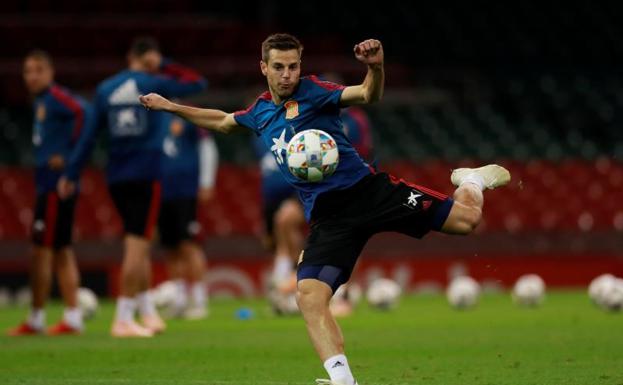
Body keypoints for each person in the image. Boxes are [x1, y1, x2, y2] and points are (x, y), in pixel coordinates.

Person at [139, 33, 510, 385]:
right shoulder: (261, 112)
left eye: (293, 66)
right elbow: (221, 121)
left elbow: (367, 94)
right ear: (264, 68)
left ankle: (473, 181)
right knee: (309, 295)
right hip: (329, 218)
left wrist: (376, 68)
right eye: (280, 67)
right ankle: (342, 379)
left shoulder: (315, 92)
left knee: (467, 221)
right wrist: (171, 107)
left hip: (368, 192)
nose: (288, 75)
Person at [60, 37, 207, 337]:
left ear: (129, 56)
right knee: (137, 244)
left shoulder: (105, 89)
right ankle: (124, 316)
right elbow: (197, 83)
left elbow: (88, 137)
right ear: (149, 58)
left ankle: (147, 309)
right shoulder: (155, 82)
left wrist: (71, 173)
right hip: (147, 173)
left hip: (116, 176)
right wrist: (163, 64)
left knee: (138, 239)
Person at [8, 50, 89, 336]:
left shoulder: (57, 97)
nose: (32, 76)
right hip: (48, 182)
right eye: (27, 70)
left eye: (38, 70)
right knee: (59, 251)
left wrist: (69, 157)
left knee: (42, 252)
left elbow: (85, 113)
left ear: (50, 72)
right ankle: (70, 316)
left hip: (57, 184)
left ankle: (38, 317)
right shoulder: (41, 101)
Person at [158, 112, 218, 319]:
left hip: (186, 191)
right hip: (161, 192)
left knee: (189, 245)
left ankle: (200, 301)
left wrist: (207, 182)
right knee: (171, 247)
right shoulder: (153, 118)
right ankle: (180, 300)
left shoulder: (184, 112)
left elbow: (207, 147)